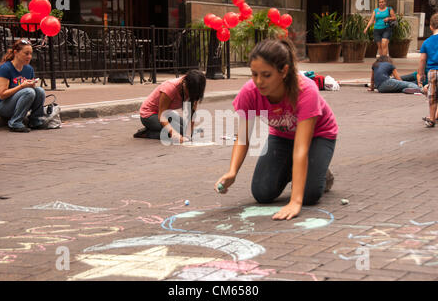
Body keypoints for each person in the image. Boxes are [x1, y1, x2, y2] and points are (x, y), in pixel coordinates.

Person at [215, 39, 338, 221]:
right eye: (254, 74)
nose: (259, 81)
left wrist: (295, 201)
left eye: (266, 75)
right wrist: (232, 171)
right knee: (262, 193)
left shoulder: (306, 90)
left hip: (318, 136)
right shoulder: (249, 92)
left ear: (284, 71)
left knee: (309, 195)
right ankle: (303, 170)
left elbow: (301, 148)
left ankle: (319, 171)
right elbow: (243, 138)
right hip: (282, 136)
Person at [133, 70, 206, 142]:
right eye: (189, 92)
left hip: (166, 113)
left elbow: (193, 110)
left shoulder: (195, 88)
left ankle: (154, 128)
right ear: (185, 84)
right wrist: (174, 134)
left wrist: (193, 132)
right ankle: (147, 133)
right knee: (178, 131)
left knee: (184, 126)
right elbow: (161, 115)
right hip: (149, 115)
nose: (190, 95)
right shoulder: (170, 88)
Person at [0, 39, 45, 132]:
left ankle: (35, 120)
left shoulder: (29, 69)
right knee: (28, 92)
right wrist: (21, 86)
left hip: (19, 101)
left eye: (31, 54)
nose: (29, 57)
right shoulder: (5, 68)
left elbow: (30, 92)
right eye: (26, 53)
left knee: (40, 91)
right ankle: (15, 122)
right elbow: (2, 95)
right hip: (1, 106)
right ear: (16, 52)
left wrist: (31, 85)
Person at [418, 13, 438, 128]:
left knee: (433, 96)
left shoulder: (427, 42)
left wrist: (421, 74)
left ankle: (431, 118)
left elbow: (422, 59)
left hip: (433, 71)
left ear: (431, 27)